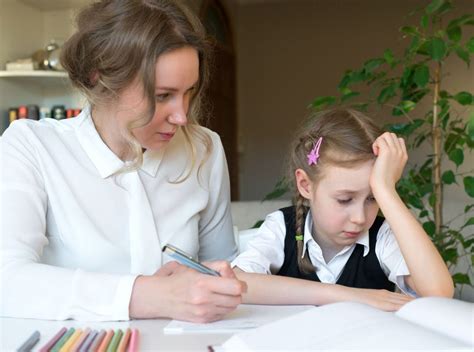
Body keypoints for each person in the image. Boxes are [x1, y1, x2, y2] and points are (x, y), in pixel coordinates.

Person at [0, 0, 246, 322]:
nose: (182, 115)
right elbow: (8, 280)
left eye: (189, 92)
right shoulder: (31, 145)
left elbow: (221, 270)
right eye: (162, 96)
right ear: (100, 78)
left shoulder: (204, 150)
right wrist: (148, 296)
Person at [232, 109, 454, 311]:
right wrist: (344, 295)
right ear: (306, 185)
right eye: (345, 199)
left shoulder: (382, 237)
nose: (359, 218)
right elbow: (237, 284)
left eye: (372, 198)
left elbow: (438, 293)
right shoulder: (282, 227)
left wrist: (387, 190)